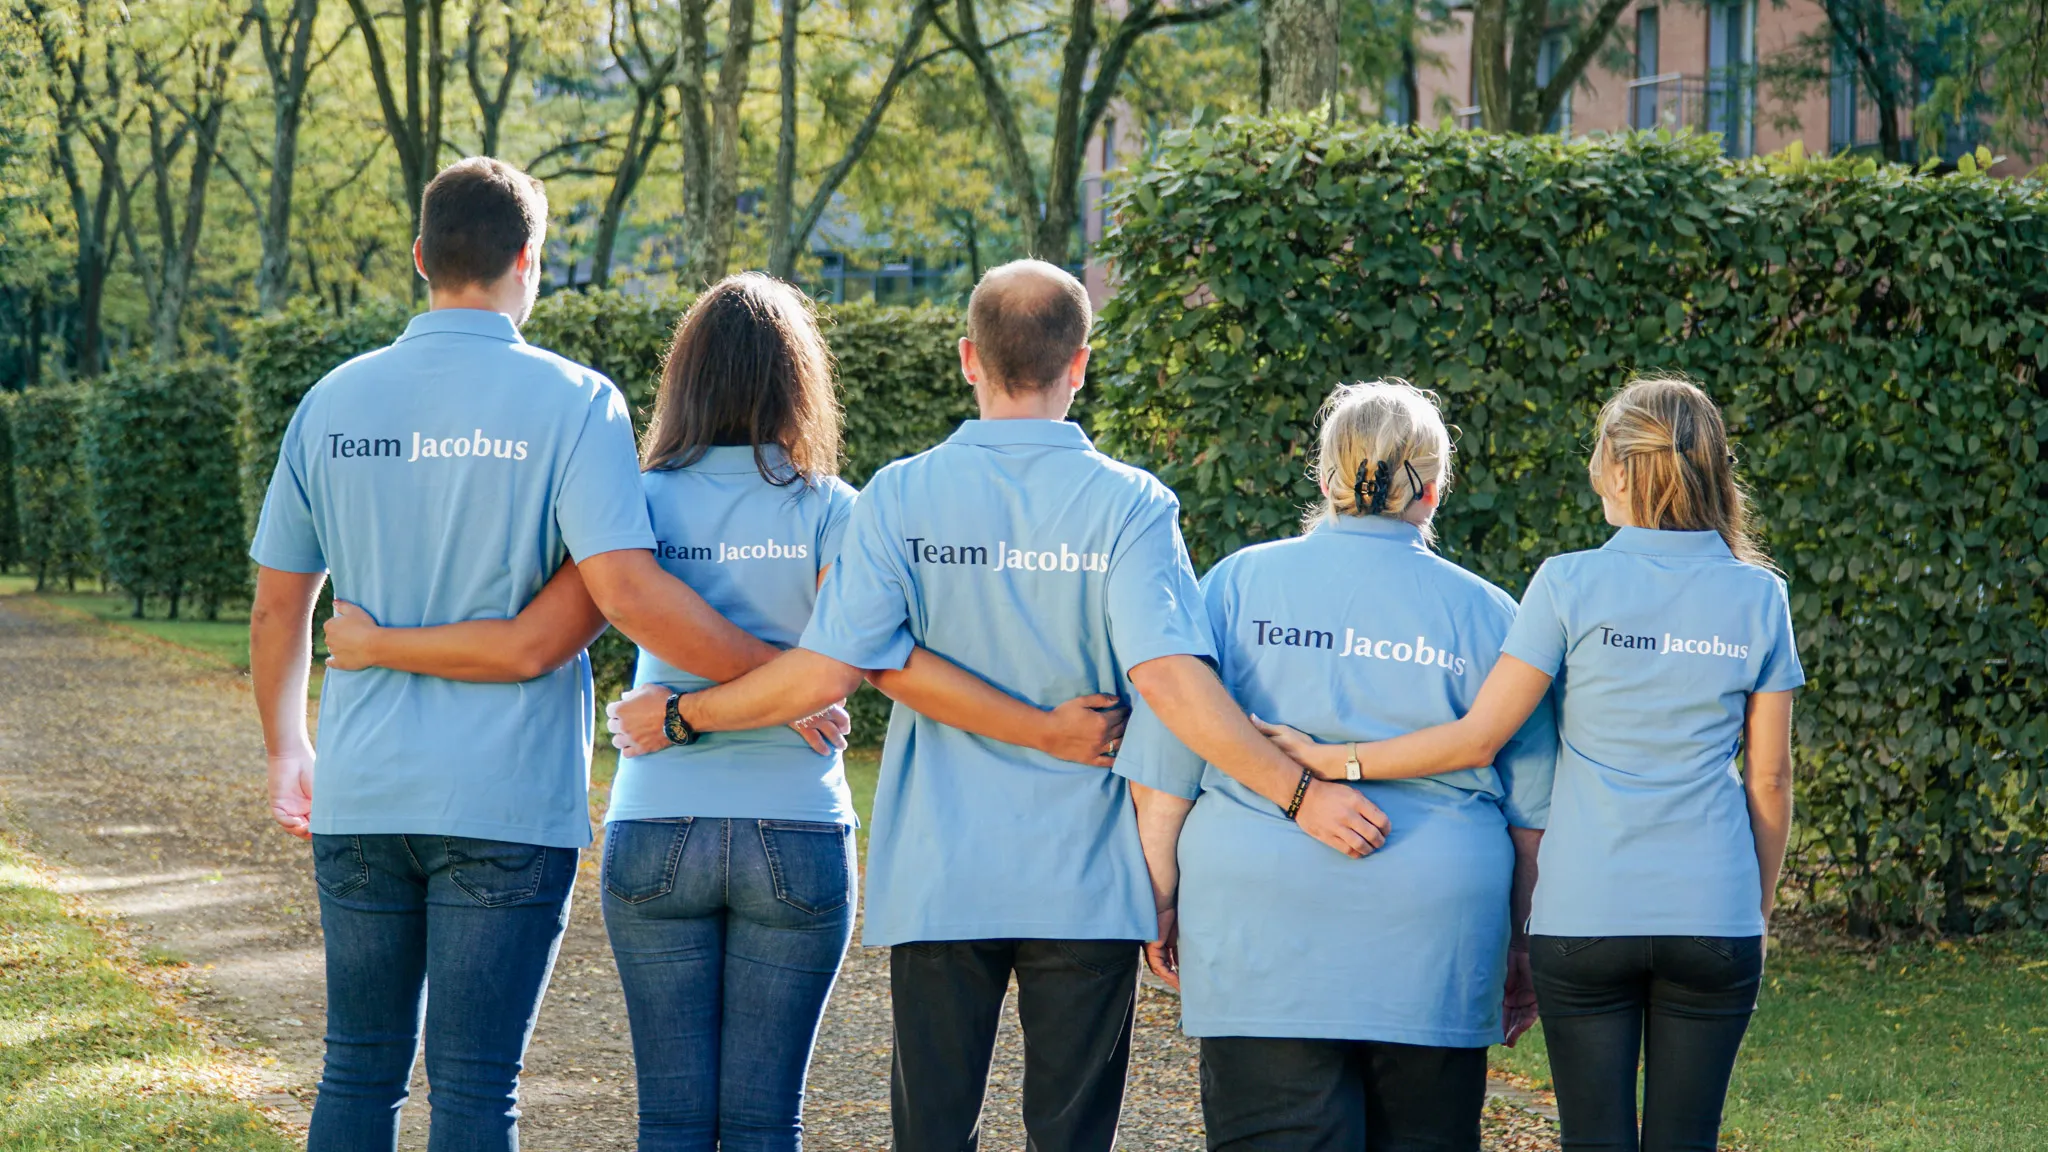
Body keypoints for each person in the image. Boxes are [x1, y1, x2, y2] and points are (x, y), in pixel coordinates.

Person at [319, 272, 1126, 1151]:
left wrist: (681, 712)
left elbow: (576, 620)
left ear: (684, 378)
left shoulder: (634, 502)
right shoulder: (834, 509)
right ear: (802, 383)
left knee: (668, 1118)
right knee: (762, 1120)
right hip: (799, 831)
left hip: (658, 822)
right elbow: (845, 665)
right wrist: (784, 701)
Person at [606, 260, 1394, 1152]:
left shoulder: (899, 495)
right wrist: (1297, 794)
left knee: (932, 1135)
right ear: (1082, 364)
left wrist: (685, 715)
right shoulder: (1132, 503)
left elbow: (834, 669)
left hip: (945, 870)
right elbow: (1173, 683)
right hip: (1088, 880)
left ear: (968, 359)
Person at [248, 158, 837, 1152]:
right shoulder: (576, 403)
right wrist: (781, 682)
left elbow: (278, 611)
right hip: (508, 799)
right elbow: (624, 593)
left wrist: (285, 749)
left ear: (419, 259)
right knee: (476, 1087)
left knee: (356, 1066)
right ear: (531, 260)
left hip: (362, 786)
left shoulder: (332, 400)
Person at [1259, 376, 1802, 1152]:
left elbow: (1479, 738)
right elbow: (1771, 779)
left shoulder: (1568, 583)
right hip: (1713, 911)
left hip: (1584, 917)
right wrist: (1756, 908)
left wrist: (1333, 760)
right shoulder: (1759, 597)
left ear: (1617, 472)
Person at [1113, 380, 1557, 1152]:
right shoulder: (1492, 614)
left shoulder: (1233, 585)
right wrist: (1519, 944)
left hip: (1259, 933)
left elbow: (1166, 775)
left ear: (1324, 478)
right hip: (1437, 939)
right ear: (1436, 487)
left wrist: (1156, 898)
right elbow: (1532, 819)